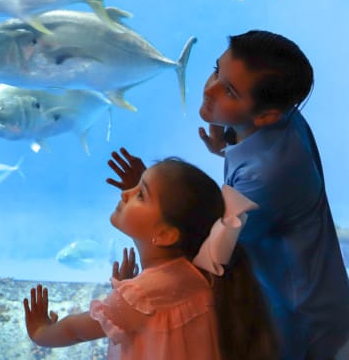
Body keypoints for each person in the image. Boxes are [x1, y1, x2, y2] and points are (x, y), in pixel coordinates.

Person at [106, 30, 349, 360]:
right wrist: (227, 141)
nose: (209, 88)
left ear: (266, 115)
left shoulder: (267, 176)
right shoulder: (285, 118)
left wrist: (152, 199)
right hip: (314, 297)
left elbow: (207, 255)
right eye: (217, 70)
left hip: (294, 320)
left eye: (230, 91)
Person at [24, 158, 278, 360]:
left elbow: (76, 330)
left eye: (140, 194)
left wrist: (41, 332)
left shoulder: (140, 296)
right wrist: (126, 288)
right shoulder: (200, 270)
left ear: (165, 234)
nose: (126, 193)